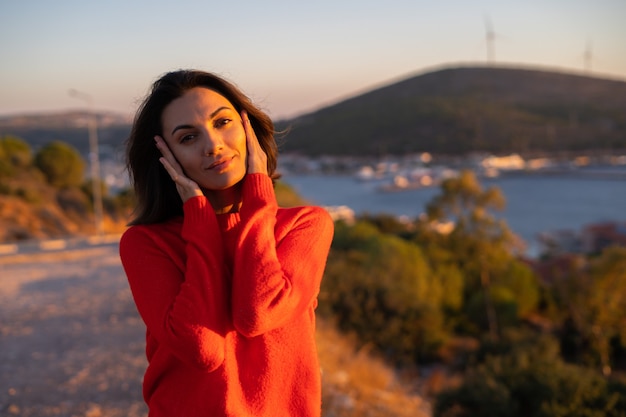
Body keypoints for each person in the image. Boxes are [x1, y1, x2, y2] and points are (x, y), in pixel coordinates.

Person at [119, 69, 334, 417]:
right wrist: (200, 218)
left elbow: (257, 313)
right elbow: (202, 348)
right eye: (188, 138)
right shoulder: (145, 244)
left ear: (248, 127)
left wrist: (257, 195)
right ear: (165, 157)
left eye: (223, 122)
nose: (213, 145)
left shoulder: (304, 226)